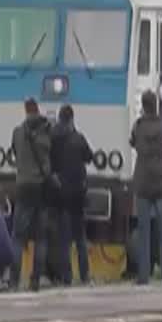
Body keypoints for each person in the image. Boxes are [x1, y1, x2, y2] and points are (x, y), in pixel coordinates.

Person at [130, 89, 162, 285]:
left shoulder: (138, 126)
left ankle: (143, 275)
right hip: (160, 182)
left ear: (143, 105)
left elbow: (133, 142)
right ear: (156, 105)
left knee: (144, 231)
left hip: (142, 183)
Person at [10, 98, 55, 291]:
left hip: (22, 186)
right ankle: (35, 280)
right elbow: (49, 154)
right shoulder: (46, 133)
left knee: (18, 238)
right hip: (41, 188)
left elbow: (15, 152)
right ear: (38, 110)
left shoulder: (18, 132)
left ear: (26, 111)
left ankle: (13, 280)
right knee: (41, 238)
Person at [50, 104, 94, 285]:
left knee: (64, 240)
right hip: (78, 194)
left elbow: (49, 162)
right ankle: (84, 276)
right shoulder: (78, 138)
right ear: (72, 119)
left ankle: (66, 277)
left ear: (60, 118)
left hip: (61, 194)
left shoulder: (53, 139)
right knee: (80, 239)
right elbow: (89, 156)